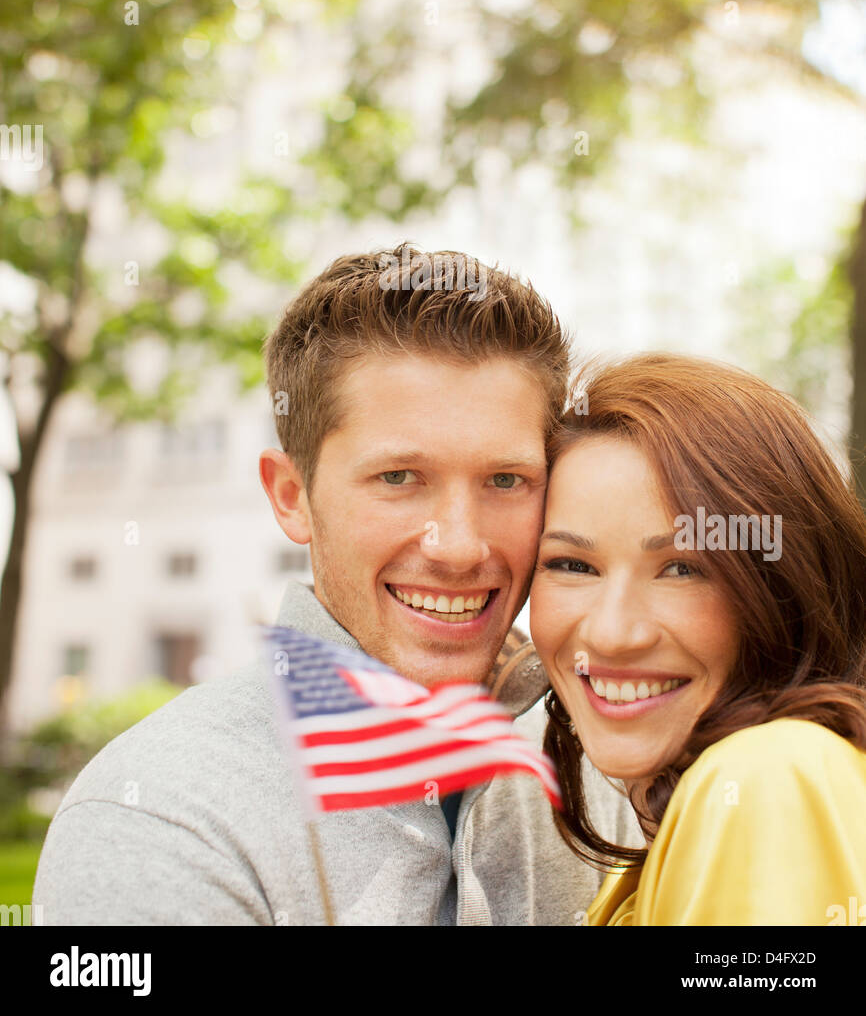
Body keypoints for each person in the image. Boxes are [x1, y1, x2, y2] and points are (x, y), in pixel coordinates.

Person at [33, 243, 641, 925]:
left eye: (506, 480)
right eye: (398, 478)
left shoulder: (601, 784)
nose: (460, 547)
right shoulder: (159, 821)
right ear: (292, 495)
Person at [530, 352, 866, 926]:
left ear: (783, 586)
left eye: (682, 568)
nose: (612, 634)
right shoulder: (693, 815)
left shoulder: (765, 778)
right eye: (572, 565)